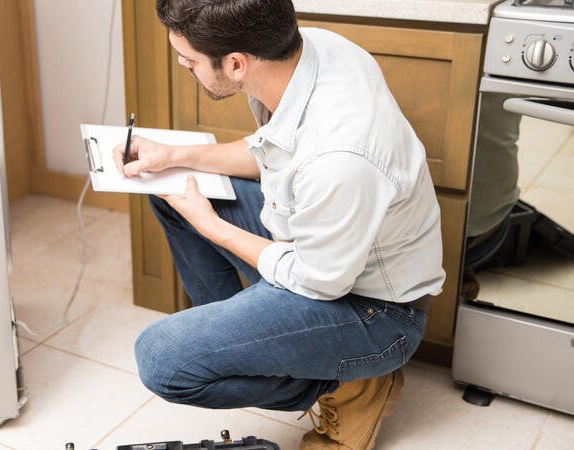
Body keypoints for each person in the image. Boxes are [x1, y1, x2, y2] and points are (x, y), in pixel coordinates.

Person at [115, 1, 445, 449]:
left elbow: (318, 280)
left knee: (162, 361)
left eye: (188, 59)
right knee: (172, 191)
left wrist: (212, 226)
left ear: (235, 64)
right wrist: (172, 155)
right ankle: (259, 340)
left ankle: (352, 384)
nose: (181, 64)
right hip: (317, 246)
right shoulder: (312, 51)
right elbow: (271, 151)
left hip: (374, 310)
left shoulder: (340, 159)